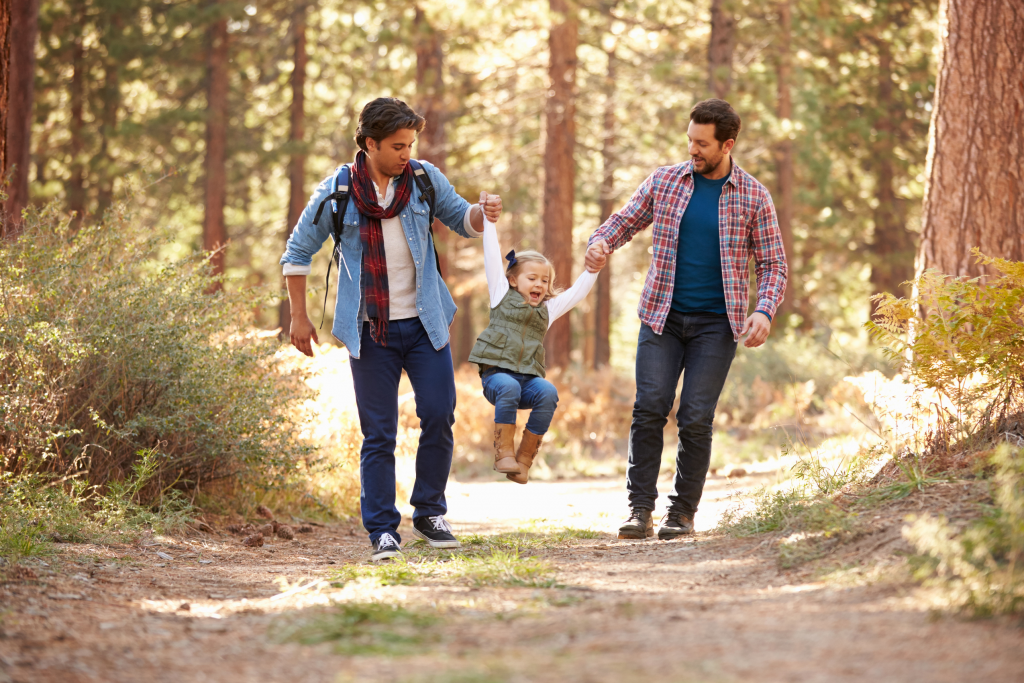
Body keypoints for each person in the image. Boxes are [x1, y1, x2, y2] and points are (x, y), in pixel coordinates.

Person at [280, 97, 502, 561]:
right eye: (398, 146)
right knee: (378, 434)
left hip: (426, 324)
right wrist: (299, 316)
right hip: (370, 330)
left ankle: (428, 512)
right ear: (369, 143)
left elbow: (463, 219)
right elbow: (297, 253)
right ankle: (382, 530)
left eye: (410, 144)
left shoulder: (421, 179)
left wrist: (485, 213)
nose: (406, 154)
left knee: (439, 414)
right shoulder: (338, 192)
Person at [585, 98, 788, 540]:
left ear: (727, 144)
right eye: (689, 140)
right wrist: (600, 242)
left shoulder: (753, 195)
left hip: (717, 325)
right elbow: (623, 221)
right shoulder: (665, 181)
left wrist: (764, 310)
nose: (692, 150)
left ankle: (682, 513)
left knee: (696, 416)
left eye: (702, 144)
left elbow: (773, 265)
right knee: (650, 407)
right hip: (662, 317)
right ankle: (640, 510)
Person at [468, 219, 603, 484]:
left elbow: (577, 294)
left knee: (548, 391)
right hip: (496, 378)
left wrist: (592, 270)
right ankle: (503, 452)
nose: (539, 284)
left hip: (527, 382)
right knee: (508, 385)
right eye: (532, 278)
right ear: (514, 280)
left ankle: (524, 460)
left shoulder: (548, 310)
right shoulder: (499, 293)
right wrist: (489, 220)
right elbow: (492, 255)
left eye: (545, 280)